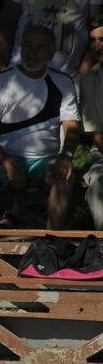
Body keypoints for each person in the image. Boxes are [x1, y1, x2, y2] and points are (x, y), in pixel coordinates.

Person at [0, 24, 80, 230]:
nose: (32, 52)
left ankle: (50, 242)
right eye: (27, 45)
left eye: (40, 47)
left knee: (64, 176)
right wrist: (7, 163)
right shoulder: (1, 81)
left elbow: (72, 127)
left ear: (51, 53)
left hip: (44, 159)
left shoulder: (63, 82)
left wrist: (66, 156)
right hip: (4, 155)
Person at [80, 21, 103, 229]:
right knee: (99, 183)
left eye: (102, 39)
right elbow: (97, 135)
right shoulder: (88, 80)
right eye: (93, 41)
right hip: (101, 153)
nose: (98, 46)